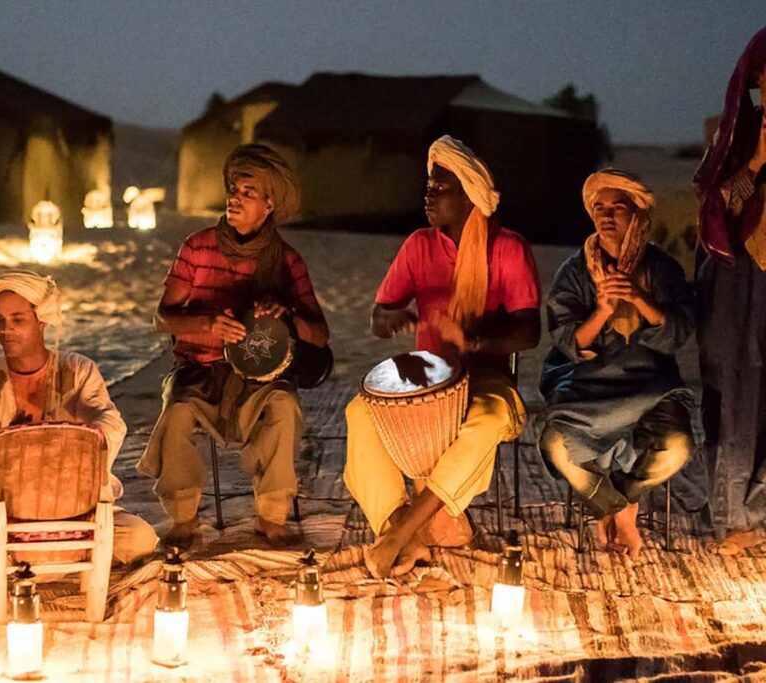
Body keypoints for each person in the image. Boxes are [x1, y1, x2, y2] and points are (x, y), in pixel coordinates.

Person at [345, 135, 541, 578]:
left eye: (441, 187)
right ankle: (400, 528)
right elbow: (379, 316)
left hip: (488, 377)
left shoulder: (507, 248)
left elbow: (529, 331)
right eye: (428, 186)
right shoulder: (418, 245)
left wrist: (473, 343)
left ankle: (401, 534)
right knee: (360, 412)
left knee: (488, 419)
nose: (429, 194)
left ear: (470, 195)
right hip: (428, 380)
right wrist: (392, 318)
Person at [0, 270, 157, 583]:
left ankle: (32, 558)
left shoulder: (78, 370)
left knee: (141, 540)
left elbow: (110, 422)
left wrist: (83, 435)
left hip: (77, 509)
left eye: (17, 320)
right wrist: (12, 453)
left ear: (41, 321)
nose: (6, 330)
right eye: (0, 320)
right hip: (7, 514)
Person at [137, 143, 329, 548]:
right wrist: (206, 324)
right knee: (176, 412)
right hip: (199, 369)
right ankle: (184, 519)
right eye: (233, 189)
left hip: (259, 378)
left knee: (284, 406)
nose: (234, 198)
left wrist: (289, 313)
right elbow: (161, 318)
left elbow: (320, 335)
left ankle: (271, 516)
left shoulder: (286, 261)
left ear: (269, 204)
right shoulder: (197, 246)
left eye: (247, 192)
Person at [540, 170, 696, 557]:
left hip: (652, 387)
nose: (606, 216)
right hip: (587, 389)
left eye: (618, 207)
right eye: (599, 207)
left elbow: (681, 332)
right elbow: (563, 338)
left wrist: (640, 299)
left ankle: (624, 500)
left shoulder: (662, 269)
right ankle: (610, 506)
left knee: (676, 447)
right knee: (556, 446)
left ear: (638, 215)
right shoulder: (575, 272)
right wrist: (603, 311)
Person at [694, 27, 766, 554]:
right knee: (736, 391)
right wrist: (759, 162)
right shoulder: (735, 136)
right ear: (758, 78)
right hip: (741, 282)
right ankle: (735, 515)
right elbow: (716, 211)